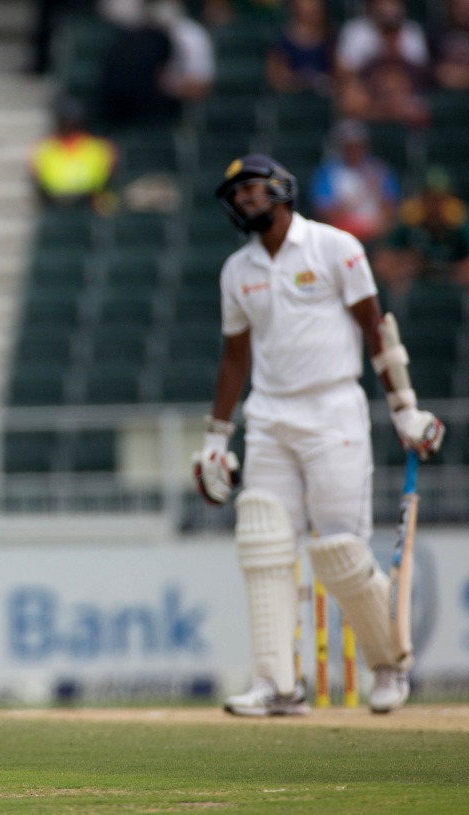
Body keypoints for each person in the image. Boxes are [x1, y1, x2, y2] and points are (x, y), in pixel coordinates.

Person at [195, 154, 444, 717]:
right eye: (237, 195)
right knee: (262, 539)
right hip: (269, 416)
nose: (245, 201)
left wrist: (404, 409)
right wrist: (216, 439)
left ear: (281, 190)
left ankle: (389, 664)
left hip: (334, 410)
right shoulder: (237, 270)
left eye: (254, 190)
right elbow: (234, 357)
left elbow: (376, 329)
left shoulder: (335, 248)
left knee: (340, 550)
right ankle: (277, 684)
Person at [374, 167, 469, 293]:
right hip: (418, 270)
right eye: (430, 197)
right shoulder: (411, 218)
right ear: (422, 198)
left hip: (452, 270)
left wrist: (459, 268)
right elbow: (385, 255)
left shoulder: (458, 220)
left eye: (440, 198)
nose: (435, 204)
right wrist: (404, 259)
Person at [310, 119, 401, 245]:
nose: (355, 151)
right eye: (350, 146)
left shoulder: (380, 170)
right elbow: (323, 210)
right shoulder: (327, 172)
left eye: (359, 146)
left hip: (377, 232)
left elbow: (391, 206)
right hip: (342, 232)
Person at [29, 95, 117, 210]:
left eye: (74, 124)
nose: (70, 128)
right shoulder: (44, 149)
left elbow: (107, 186)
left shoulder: (101, 149)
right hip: (55, 207)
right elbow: (40, 185)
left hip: (89, 208)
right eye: (65, 123)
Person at [265, 0, 335, 96]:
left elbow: (337, 76)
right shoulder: (280, 40)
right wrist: (300, 81)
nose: (311, 6)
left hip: (324, 96)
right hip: (290, 98)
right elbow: (276, 78)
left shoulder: (330, 39)